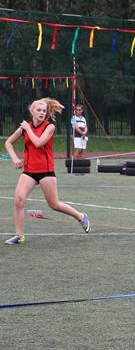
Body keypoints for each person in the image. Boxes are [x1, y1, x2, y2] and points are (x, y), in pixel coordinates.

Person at [4, 97, 91, 245]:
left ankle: (81, 216)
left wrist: (27, 129)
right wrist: (14, 158)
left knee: (54, 204)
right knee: (18, 200)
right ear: (32, 111)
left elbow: (38, 143)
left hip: (46, 172)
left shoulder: (49, 127)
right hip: (29, 171)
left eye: (44, 111)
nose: (42, 113)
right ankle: (19, 235)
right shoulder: (25, 127)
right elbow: (8, 142)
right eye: (38, 110)